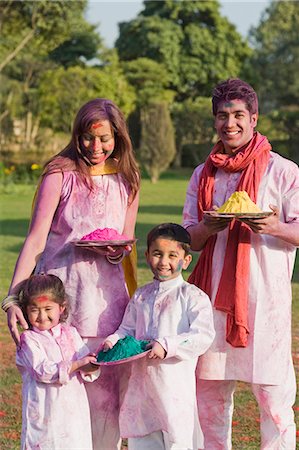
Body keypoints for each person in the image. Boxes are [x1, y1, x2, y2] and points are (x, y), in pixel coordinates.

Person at [2, 98, 140, 449]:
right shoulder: (60, 173)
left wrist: (117, 250)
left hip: (109, 304)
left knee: (108, 401)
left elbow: (126, 241)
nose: (96, 147)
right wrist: (12, 298)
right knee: (61, 400)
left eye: (105, 139)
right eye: (88, 137)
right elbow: (36, 238)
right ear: (77, 135)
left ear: (118, 137)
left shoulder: (127, 178)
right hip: (59, 305)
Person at [182, 78, 299, 449]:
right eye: (221, 116)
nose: (229, 123)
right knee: (210, 399)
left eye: (237, 115)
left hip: (265, 303)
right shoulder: (204, 175)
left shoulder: (282, 171)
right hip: (211, 301)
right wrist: (207, 225)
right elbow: (189, 240)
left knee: (274, 400)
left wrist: (273, 226)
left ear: (254, 118)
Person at [103, 223, 215, 450]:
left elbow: (202, 336)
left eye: (172, 255)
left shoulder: (192, 297)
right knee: (143, 440)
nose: (164, 262)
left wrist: (167, 346)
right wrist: (112, 342)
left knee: (177, 440)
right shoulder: (141, 296)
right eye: (157, 254)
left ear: (186, 260)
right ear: (147, 256)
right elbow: (126, 329)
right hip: (143, 389)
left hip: (173, 388)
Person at [16, 273, 100, 450]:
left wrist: (93, 365)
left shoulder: (71, 333)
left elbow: (87, 365)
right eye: (34, 309)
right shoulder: (29, 340)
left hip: (73, 411)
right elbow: (42, 371)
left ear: (61, 308)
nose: (41, 316)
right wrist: (77, 365)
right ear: (25, 310)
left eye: (48, 309)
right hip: (45, 410)